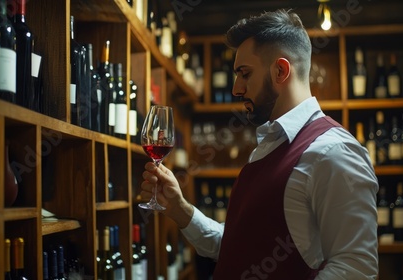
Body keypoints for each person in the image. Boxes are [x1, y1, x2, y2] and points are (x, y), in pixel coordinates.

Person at [140, 8, 379, 279]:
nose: (236, 89)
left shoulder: (333, 152)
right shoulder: (270, 144)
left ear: (280, 70)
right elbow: (238, 247)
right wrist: (179, 209)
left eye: (244, 73)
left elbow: (356, 270)